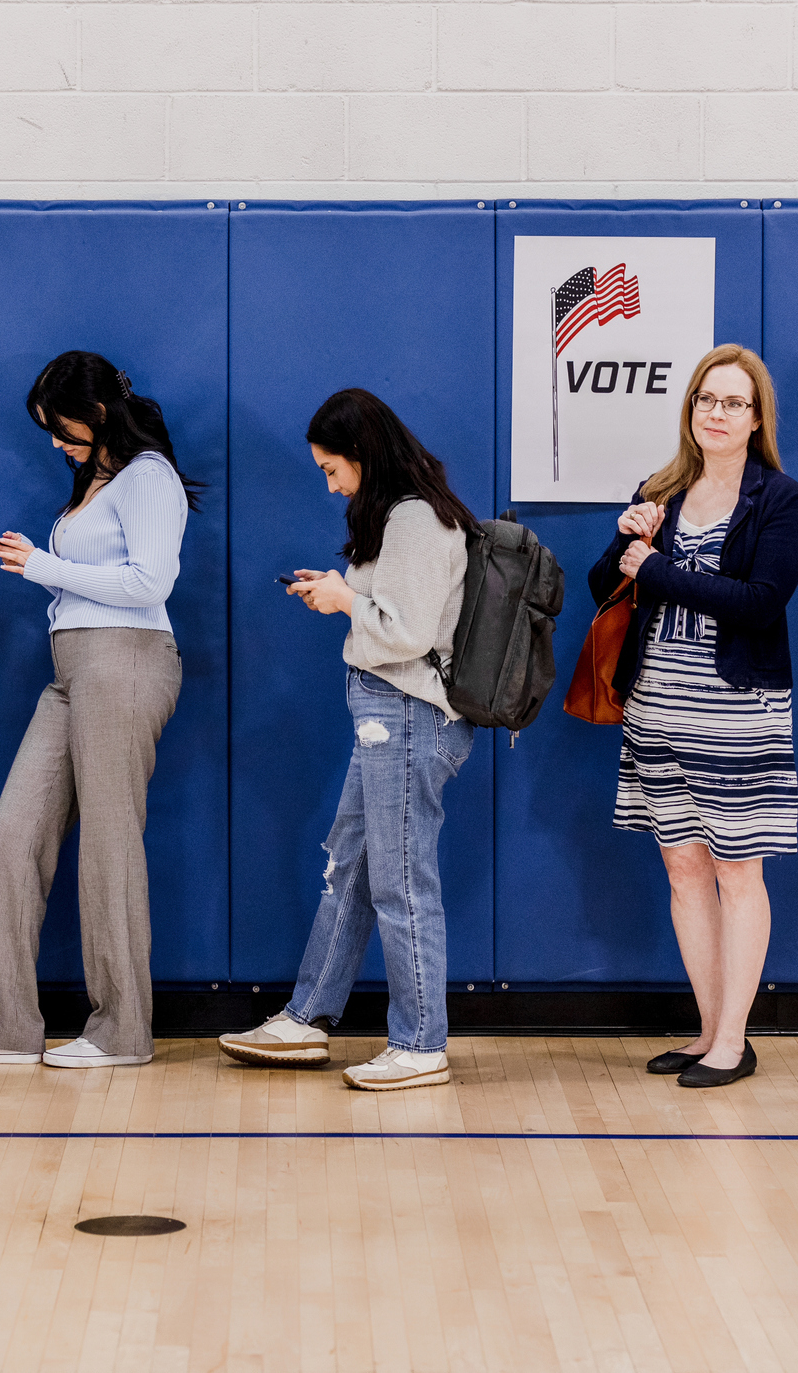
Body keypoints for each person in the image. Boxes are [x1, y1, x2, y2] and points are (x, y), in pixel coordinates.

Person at [0, 351, 200, 1070]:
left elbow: (151, 581)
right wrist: (43, 568)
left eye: (61, 427)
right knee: (11, 835)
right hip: (75, 666)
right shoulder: (98, 479)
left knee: (110, 844)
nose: (55, 442)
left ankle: (121, 1033)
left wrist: (40, 565)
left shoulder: (148, 478)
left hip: (126, 660)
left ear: (99, 414)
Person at [218, 388, 475, 1092]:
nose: (329, 483)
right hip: (387, 716)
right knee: (351, 871)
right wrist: (340, 591)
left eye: (332, 469)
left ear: (362, 454)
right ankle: (307, 1017)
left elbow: (405, 631)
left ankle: (420, 1043)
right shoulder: (400, 516)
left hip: (407, 716)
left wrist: (342, 599)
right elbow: (391, 612)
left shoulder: (418, 519)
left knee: (399, 882)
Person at [592, 344, 798, 1091]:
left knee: (735, 873)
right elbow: (604, 587)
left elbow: (761, 601)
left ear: (755, 419)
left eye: (733, 404)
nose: (716, 414)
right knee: (683, 872)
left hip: (734, 711)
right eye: (705, 400)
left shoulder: (777, 498)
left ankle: (734, 1040)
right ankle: (711, 1029)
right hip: (655, 707)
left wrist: (657, 569)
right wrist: (627, 537)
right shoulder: (662, 488)